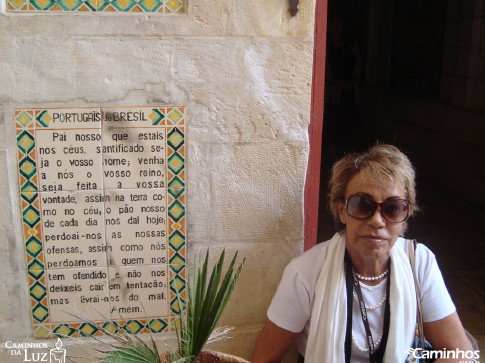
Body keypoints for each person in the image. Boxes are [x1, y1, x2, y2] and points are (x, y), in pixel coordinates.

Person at [252, 144, 471, 362]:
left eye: (392, 208)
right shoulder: (305, 273)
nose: (377, 220)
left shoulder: (419, 262)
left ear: (406, 214)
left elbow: (459, 353)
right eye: (362, 205)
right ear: (342, 211)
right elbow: (264, 359)